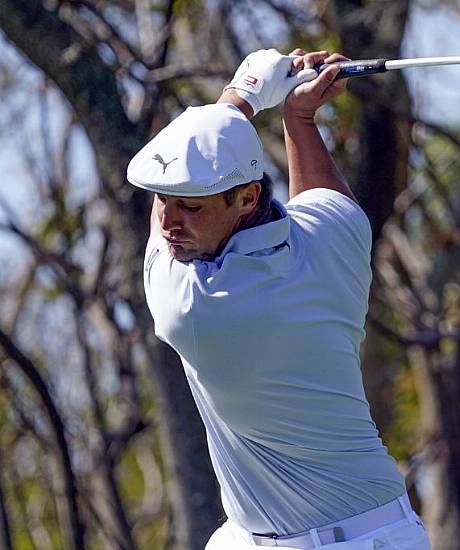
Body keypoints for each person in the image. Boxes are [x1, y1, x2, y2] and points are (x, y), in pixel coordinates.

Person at [126, 48, 431, 550]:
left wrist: (245, 92)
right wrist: (299, 116)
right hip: (360, 528)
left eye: (190, 206)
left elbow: (198, 156)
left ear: (248, 197)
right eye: (163, 200)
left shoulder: (195, 306)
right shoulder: (338, 237)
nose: (167, 222)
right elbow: (322, 199)